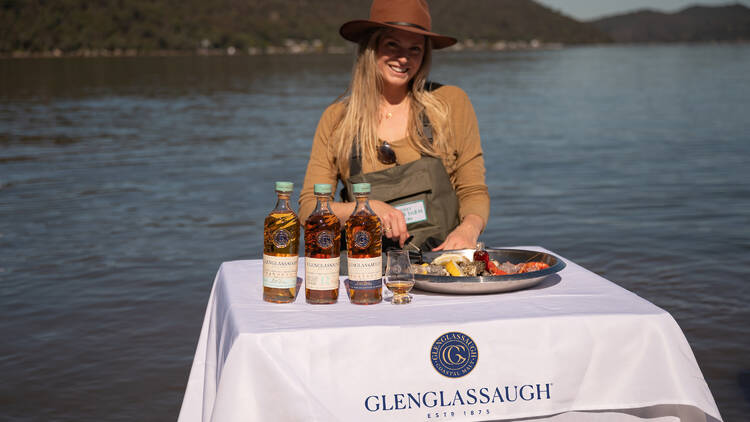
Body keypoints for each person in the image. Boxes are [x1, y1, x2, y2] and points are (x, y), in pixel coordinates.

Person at [299, 0, 489, 251]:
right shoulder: (337, 119)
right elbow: (308, 209)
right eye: (392, 45)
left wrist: (468, 231)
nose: (403, 58)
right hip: (365, 274)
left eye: (415, 49)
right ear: (371, 47)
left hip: (442, 267)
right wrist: (364, 209)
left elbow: (473, 190)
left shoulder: (451, 103)